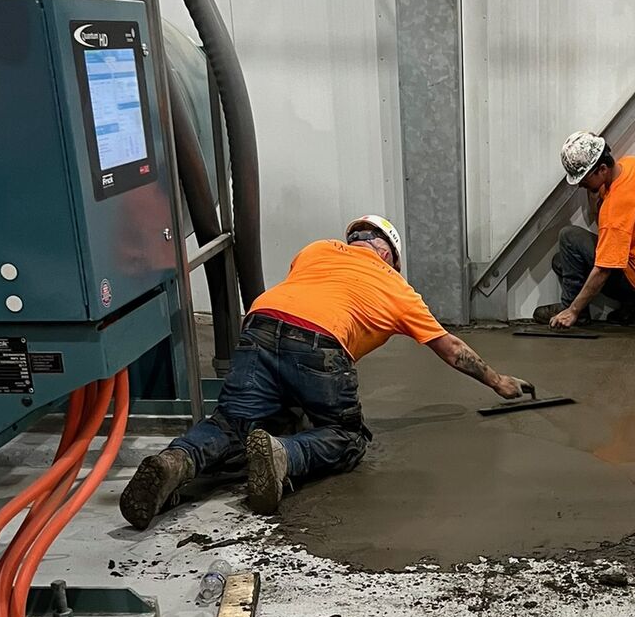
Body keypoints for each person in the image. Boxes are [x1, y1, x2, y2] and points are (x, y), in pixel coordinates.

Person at [119, 216, 532, 529]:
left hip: (261, 323)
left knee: (230, 424)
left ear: (355, 240)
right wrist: (499, 381)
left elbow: (293, 316)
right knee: (346, 436)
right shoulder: (397, 289)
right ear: (388, 255)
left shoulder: (317, 249)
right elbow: (452, 350)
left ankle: (176, 460)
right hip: (321, 343)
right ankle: (285, 455)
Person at [534, 133, 635, 330]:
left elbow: (604, 269)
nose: (580, 185)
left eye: (583, 179)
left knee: (568, 236)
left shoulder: (615, 207)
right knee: (561, 262)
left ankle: (573, 312)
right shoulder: (633, 165)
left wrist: (573, 310)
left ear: (603, 169)